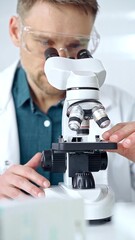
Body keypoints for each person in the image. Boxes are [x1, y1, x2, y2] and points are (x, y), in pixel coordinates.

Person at [0, 0, 135, 201]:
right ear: (15, 31)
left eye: (76, 46)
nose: (61, 60)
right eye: (46, 43)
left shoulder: (125, 106)